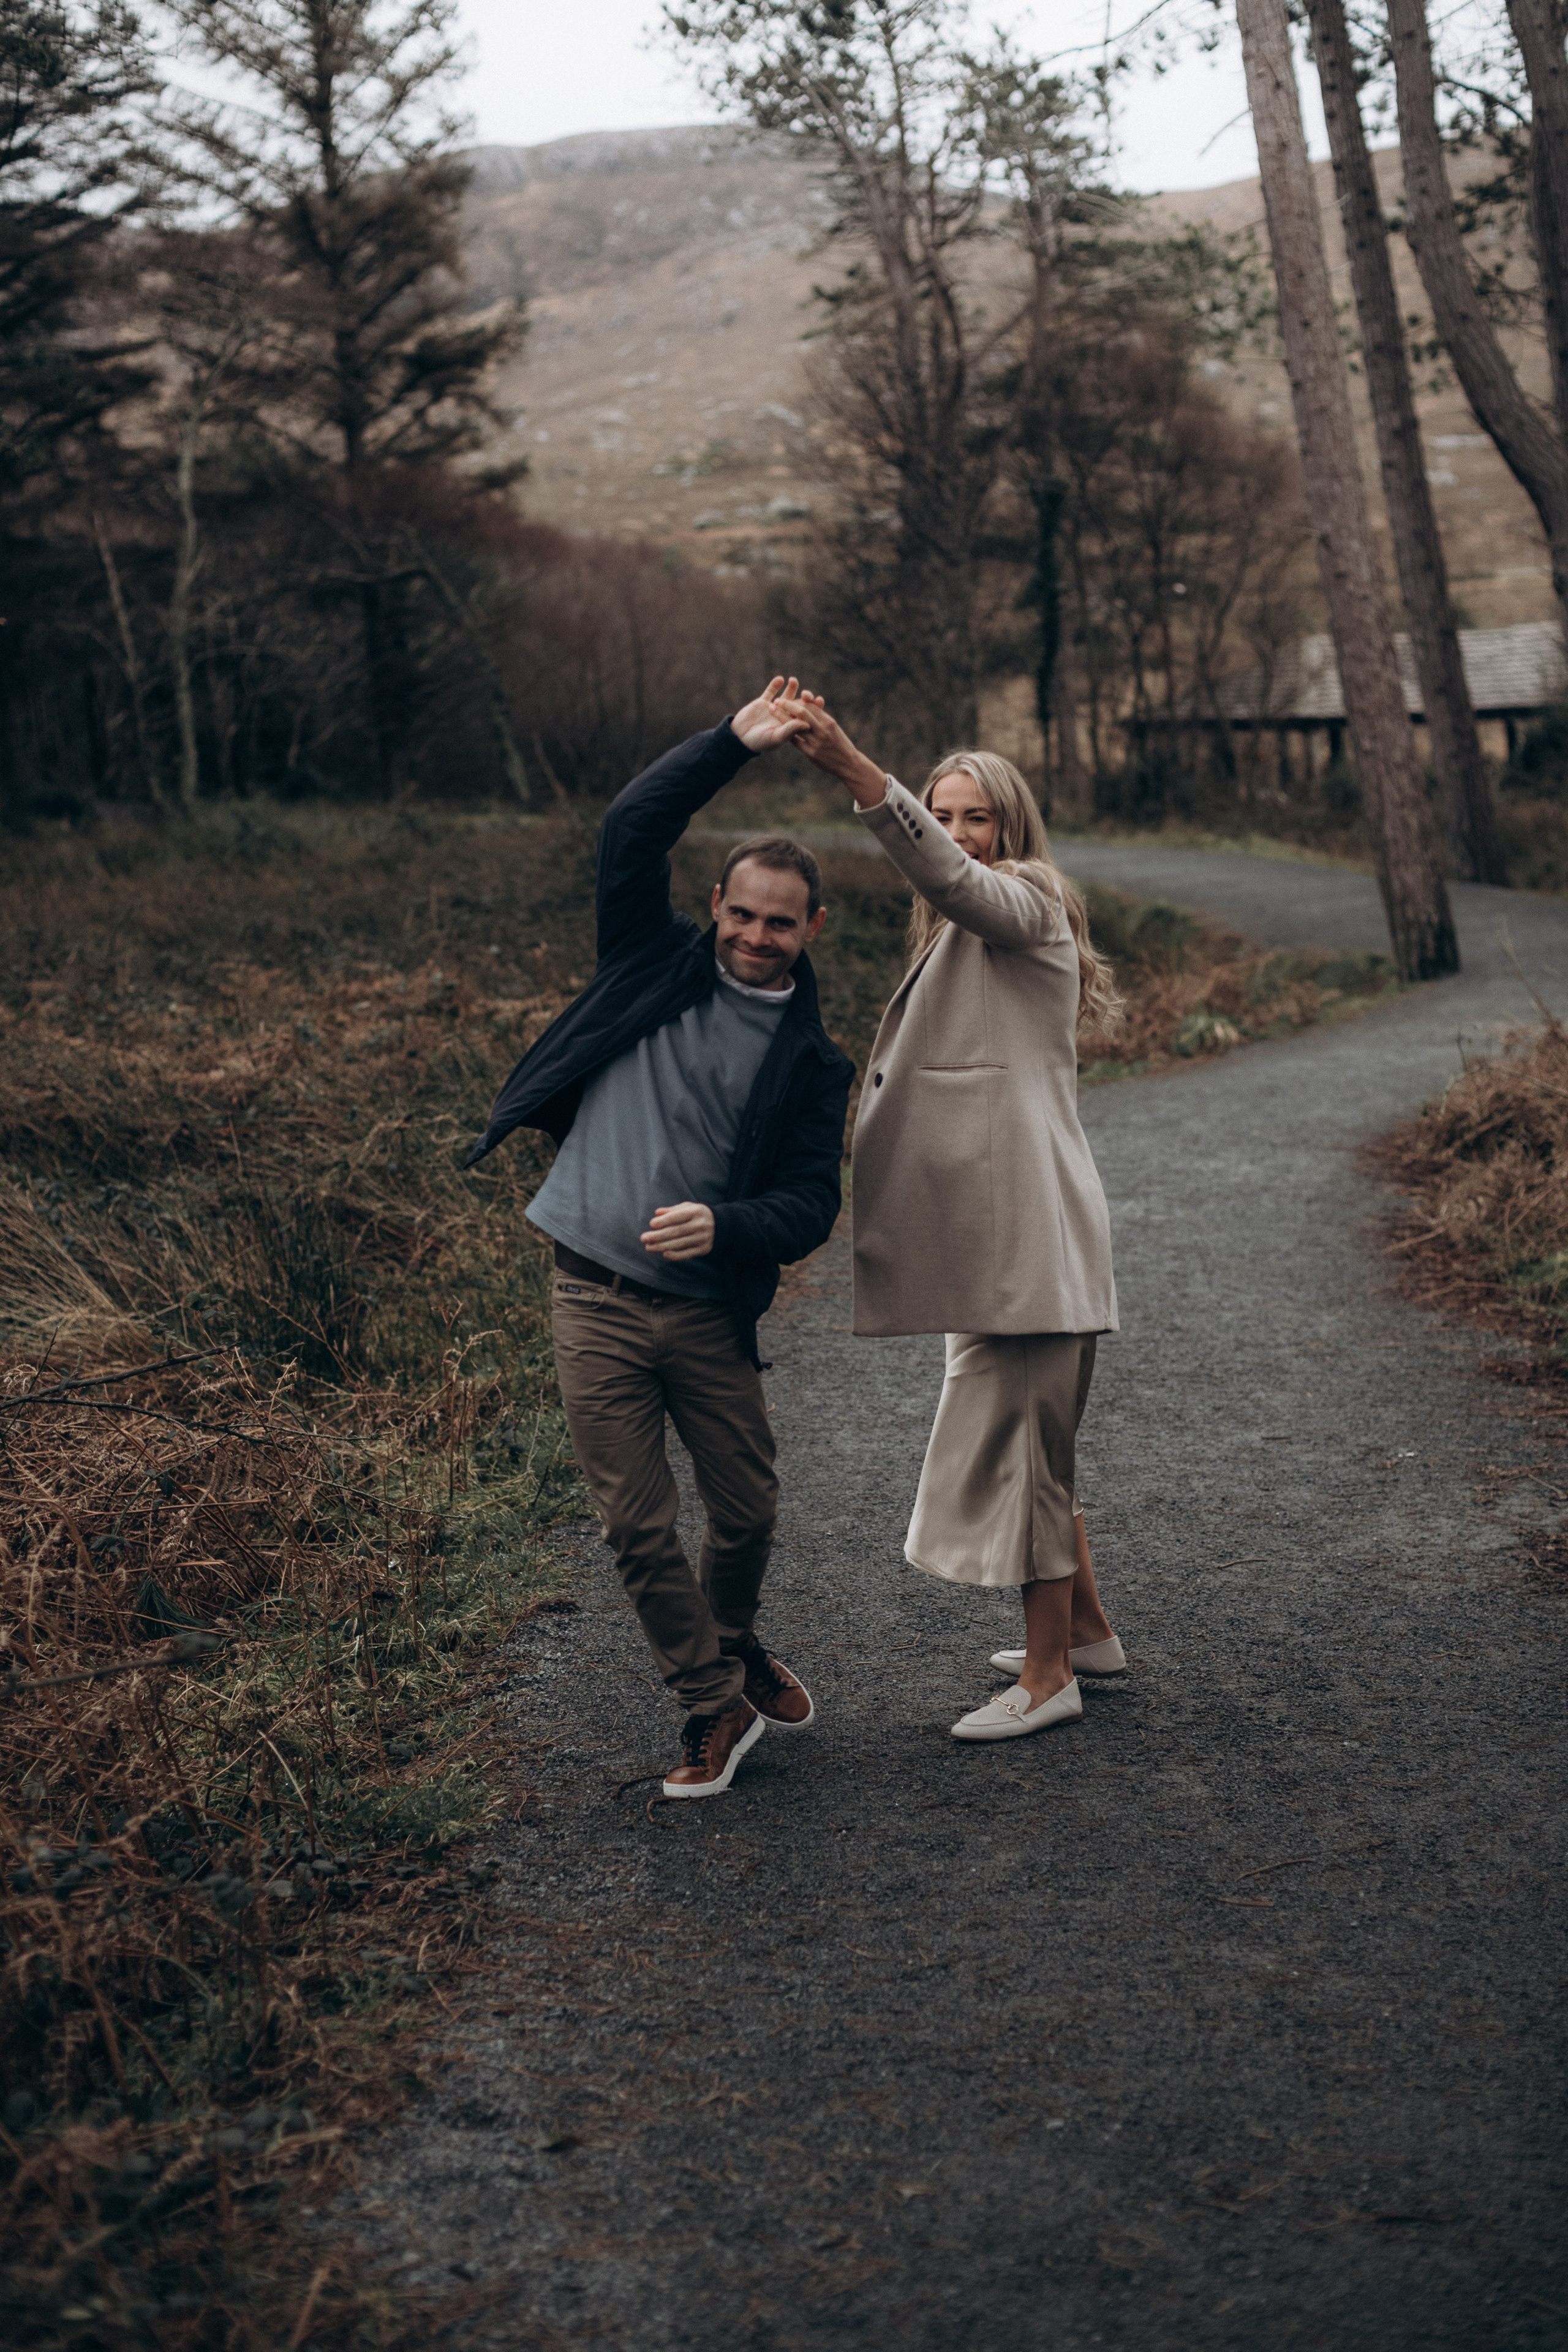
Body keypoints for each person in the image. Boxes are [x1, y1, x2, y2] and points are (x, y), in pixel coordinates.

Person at [466, 680, 854, 1798]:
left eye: (780, 922)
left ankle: (730, 1640)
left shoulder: (812, 1063)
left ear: (812, 930)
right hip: (590, 1295)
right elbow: (633, 825)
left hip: (703, 1311)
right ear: (716, 904)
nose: (755, 937)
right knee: (636, 1529)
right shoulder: (650, 960)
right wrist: (734, 741)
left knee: (747, 1515)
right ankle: (712, 1700)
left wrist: (726, 1225)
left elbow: (811, 1206)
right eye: (743, 913)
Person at [781, 696, 1126, 1741]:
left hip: (1030, 1249)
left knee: (1026, 1461)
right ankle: (1089, 1635)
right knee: (1032, 1442)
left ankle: (1049, 1677)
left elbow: (955, 880)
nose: (959, 832)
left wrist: (857, 770)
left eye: (977, 815)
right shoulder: (966, 935)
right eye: (944, 813)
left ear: (1010, 828)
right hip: (1000, 1249)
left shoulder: (1030, 900)